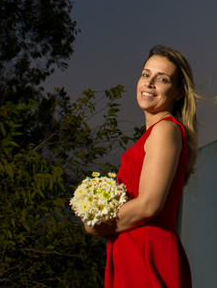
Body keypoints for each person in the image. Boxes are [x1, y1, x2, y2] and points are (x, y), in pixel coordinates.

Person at [86, 46, 201, 288]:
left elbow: (149, 204)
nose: (149, 83)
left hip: (147, 255)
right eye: (145, 74)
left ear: (179, 92)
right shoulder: (153, 134)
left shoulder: (166, 129)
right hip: (132, 251)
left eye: (162, 79)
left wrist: (97, 223)